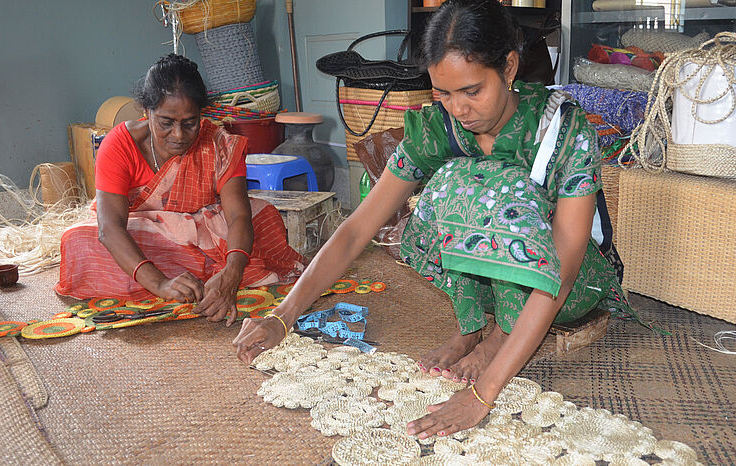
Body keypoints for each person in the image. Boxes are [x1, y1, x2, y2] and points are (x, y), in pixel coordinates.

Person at [233, 0, 630, 437]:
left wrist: (483, 395)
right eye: (444, 93)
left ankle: (499, 336)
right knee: (447, 186)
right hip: (502, 280)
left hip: (571, 281)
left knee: (490, 185)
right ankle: (473, 324)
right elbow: (358, 228)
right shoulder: (440, 128)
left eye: (472, 90)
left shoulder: (563, 130)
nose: (458, 108)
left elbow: (564, 266)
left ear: (510, 67)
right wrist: (282, 315)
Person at [56, 54, 304, 326]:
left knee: (263, 214)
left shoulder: (218, 144)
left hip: (204, 229)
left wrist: (233, 274)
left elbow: (238, 217)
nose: (178, 135)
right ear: (146, 111)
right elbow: (110, 228)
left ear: (202, 115)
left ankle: (208, 275)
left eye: (190, 123)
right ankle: (186, 277)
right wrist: (159, 284)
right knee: (78, 239)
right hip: (149, 235)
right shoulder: (119, 145)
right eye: (166, 122)